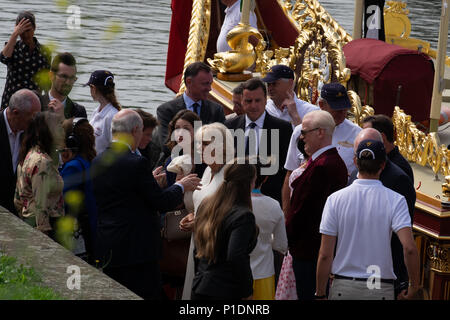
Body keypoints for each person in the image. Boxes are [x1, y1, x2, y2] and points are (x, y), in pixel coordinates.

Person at [91, 109, 201, 300]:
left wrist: (148, 182)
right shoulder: (136, 163)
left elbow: (121, 194)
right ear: (135, 130)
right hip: (137, 249)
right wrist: (180, 186)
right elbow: (161, 202)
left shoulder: (98, 160)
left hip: (108, 243)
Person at [316, 139, 421, 300]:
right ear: (383, 165)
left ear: (355, 162)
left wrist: (320, 293)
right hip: (379, 287)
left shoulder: (334, 199)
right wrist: (414, 286)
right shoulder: (396, 200)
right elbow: (410, 248)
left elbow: (325, 254)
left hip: (343, 287)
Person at [285, 109, 348, 300]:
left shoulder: (323, 166)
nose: (301, 137)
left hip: (310, 251)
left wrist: (288, 235)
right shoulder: (324, 162)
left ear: (320, 132)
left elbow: (304, 211)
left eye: (305, 132)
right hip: (309, 249)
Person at [349, 127, 416, 297]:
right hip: (352, 271)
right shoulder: (353, 175)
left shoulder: (399, 179)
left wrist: (405, 281)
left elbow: (405, 240)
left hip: (384, 273)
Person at [282, 82, 361, 215]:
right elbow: (289, 174)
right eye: (337, 108)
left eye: (345, 108)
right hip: (306, 209)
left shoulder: (357, 134)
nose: (342, 113)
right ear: (321, 105)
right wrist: (286, 215)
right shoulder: (300, 131)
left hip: (341, 209)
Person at [180, 122, 235, 299]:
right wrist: (192, 216)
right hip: (198, 242)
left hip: (216, 248)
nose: (199, 148)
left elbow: (234, 216)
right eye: (198, 143)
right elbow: (202, 204)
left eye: (204, 144)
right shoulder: (207, 172)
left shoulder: (231, 175)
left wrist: (200, 221)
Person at [191, 162, 258, 300]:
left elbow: (197, 248)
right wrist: (247, 291)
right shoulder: (243, 215)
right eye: (254, 181)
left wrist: (199, 276)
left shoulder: (207, 205)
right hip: (225, 291)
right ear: (249, 184)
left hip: (200, 286)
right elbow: (235, 256)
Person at [225, 77, 292, 204]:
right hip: (234, 198)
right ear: (242, 102)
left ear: (266, 101)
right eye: (248, 101)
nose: (253, 105)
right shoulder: (229, 126)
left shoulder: (283, 129)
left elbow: (286, 169)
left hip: (269, 200)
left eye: (258, 100)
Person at [15, 111, 65, 239]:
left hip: (28, 221)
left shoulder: (28, 154)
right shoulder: (42, 162)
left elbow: (17, 199)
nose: (63, 131)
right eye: (59, 127)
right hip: (46, 227)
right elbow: (40, 205)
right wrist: (44, 238)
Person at [156, 62, 225, 148]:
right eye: (205, 84)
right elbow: (166, 145)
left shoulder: (216, 110)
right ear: (189, 82)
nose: (209, 89)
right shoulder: (166, 110)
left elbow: (222, 143)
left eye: (210, 84)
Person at [59, 117, 97, 262]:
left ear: (71, 141)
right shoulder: (89, 162)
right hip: (90, 231)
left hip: (77, 235)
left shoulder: (73, 167)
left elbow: (62, 203)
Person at [250, 160, 288, 300]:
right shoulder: (273, 205)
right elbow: (281, 245)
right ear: (265, 178)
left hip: (233, 275)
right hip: (263, 274)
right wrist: (267, 238)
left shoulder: (231, 202)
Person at [0, 89, 41, 215]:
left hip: (16, 211)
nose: (35, 123)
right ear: (16, 113)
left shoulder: (30, 133)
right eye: (31, 119)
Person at [0, 11, 51, 110]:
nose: (25, 35)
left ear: (34, 28)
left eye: (28, 30)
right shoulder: (13, 47)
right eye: (22, 31)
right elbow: (3, 58)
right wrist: (15, 34)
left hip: (34, 104)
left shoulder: (45, 52)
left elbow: (46, 81)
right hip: (11, 103)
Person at [362, 114, 414, 183]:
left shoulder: (400, 170)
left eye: (366, 135)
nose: (362, 140)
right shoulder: (374, 159)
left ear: (382, 137)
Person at [163, 109, 206, 188]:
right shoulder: (171, 162)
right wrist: (178, 185)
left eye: (186, 129)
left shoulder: (207, 158)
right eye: (177, 128)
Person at [40, 52, 87, 119]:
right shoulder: (37, 104)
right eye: (64, 76)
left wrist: (63, 119)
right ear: (51, 76)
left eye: (72, 78)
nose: (68, 82)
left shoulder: (79, 111)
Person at [86, 70, 121, 155]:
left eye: (90, 88)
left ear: (93, 88)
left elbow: (116, 149)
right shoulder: (96, 111)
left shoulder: (113, 116)